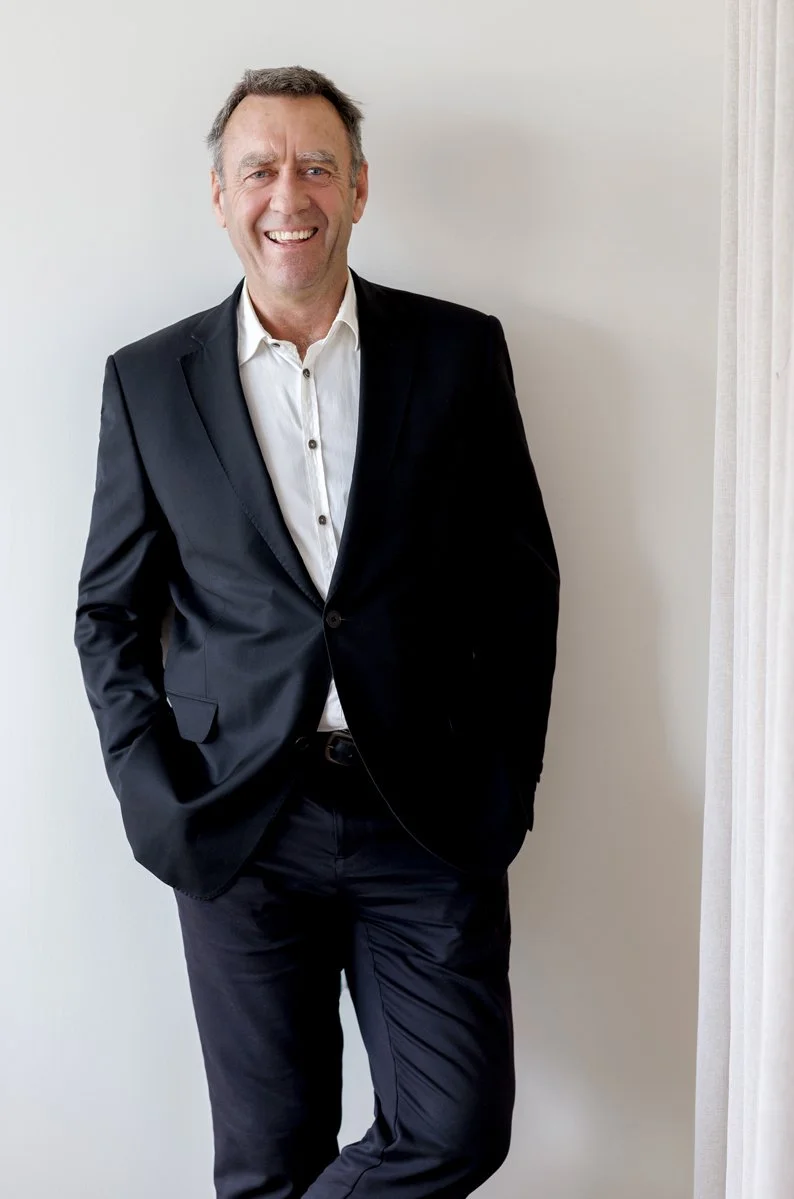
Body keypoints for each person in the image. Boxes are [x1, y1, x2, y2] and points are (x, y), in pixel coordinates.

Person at [74, 65, 559, 1199]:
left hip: (424, 816)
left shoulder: (456, 353)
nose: (287, 195)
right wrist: (154, 792)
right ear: (220, 195)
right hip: (238, 822)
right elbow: (109, 612)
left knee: (454, 1126)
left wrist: (503, 778)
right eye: (259, 170)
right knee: (268, 1159)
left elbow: (519, 586)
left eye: (316, 167)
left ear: (358, 188)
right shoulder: (149, 382)